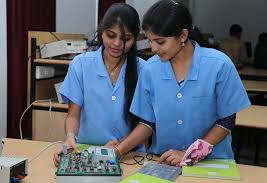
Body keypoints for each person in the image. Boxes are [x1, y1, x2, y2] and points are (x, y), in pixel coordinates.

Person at [111, 0, 250, 166]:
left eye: (160, 41)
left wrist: (190, 154)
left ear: (183, 35)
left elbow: (226, 121)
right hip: (163, 161)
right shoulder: (150, 69)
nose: (153, 48)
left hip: (211, 163)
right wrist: (118, 150)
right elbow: (148, 123)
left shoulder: (219, 65)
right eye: (150, 41)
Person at [53, 3, 145, 166]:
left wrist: (118, 149)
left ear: (135, 38)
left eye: (125, 39)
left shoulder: (144, 70)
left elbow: (146, 124)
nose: (116, 44)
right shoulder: (80, 64)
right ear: (102, 32)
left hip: (130, 155)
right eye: (111, 35)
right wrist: (69, 138)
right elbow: (73, 115)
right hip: (87, 152)